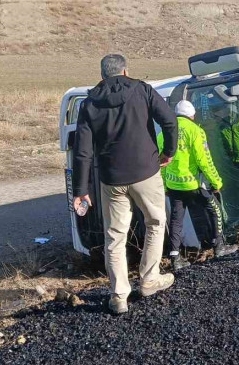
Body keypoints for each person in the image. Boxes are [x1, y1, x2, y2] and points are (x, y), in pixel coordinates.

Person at [72, 54, 178, 315]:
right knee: (155, 222)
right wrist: (168, 151)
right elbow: (169, 121)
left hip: (111, 179)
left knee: (115, 237)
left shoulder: (89, 103)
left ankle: (119, 295)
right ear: (125, 71)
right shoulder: (142, 89)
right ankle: (149, 280)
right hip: (146, 172)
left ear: (102, 75)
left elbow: (82, 151)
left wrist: (81, 190)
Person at [162, 100, 239, 271]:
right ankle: (219, 247)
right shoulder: (196, 131)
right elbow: (204, 160)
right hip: (195, 184)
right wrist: (216, 181)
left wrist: (164, 185)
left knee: (176, 220)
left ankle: (175, 257)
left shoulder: (165, 132)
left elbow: (161, 162)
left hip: (174, 185)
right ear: (192, 115)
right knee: (215, 210)